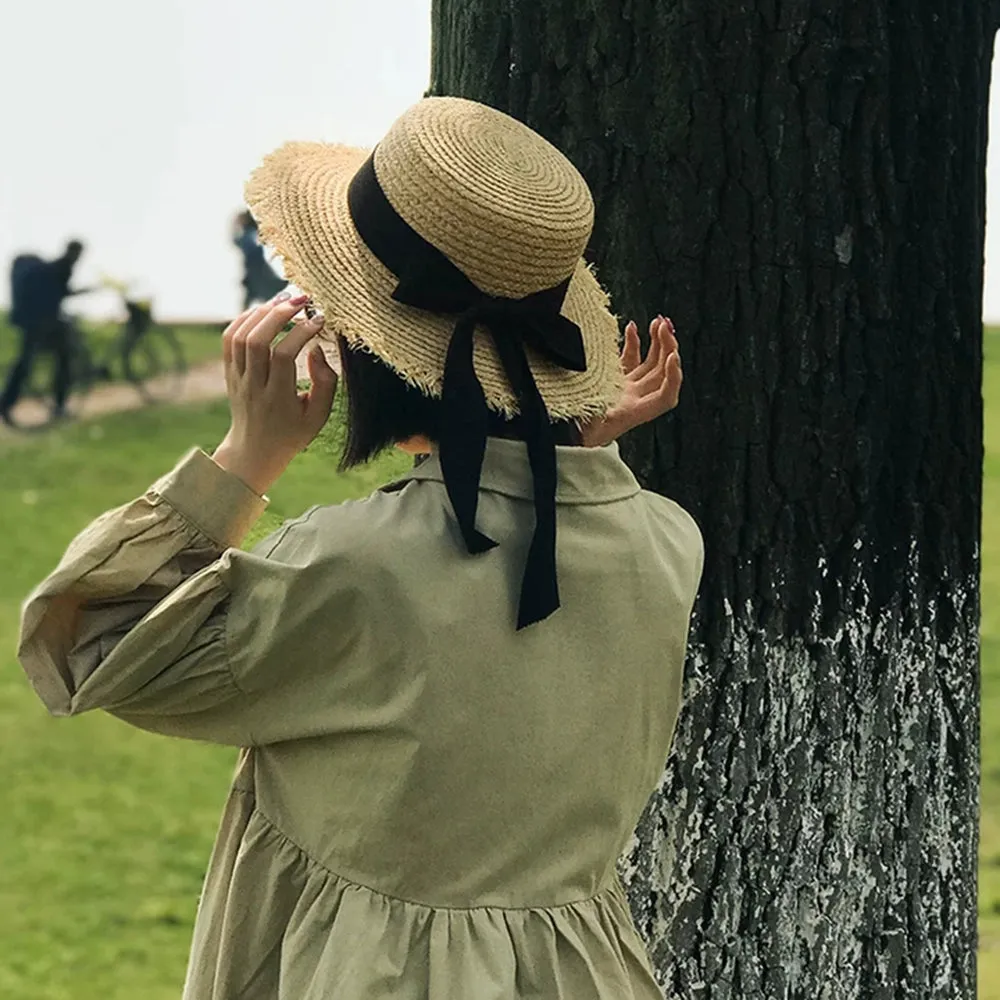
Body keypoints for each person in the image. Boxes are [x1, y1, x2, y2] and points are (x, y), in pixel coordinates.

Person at [17, 98, 703, 999]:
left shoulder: (349, 569)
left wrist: (244, 460)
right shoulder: (663, 542)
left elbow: (85, 648)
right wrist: (564, 443)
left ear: (356, 338)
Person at [1, 239, 87, 426]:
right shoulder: (63, 267)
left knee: (26, 362)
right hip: (46, 322)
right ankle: (59, 405)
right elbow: (62, 292)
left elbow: (56, 293)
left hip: (30, 321)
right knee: (64, 358)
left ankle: (6, 403)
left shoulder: (48, 269)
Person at [232, 209, 286, 308]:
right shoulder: (255, 235)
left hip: (257, 273)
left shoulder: (249, 236)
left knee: (261, 298)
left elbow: (238, 243)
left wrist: (234, 227)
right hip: (258, 273)